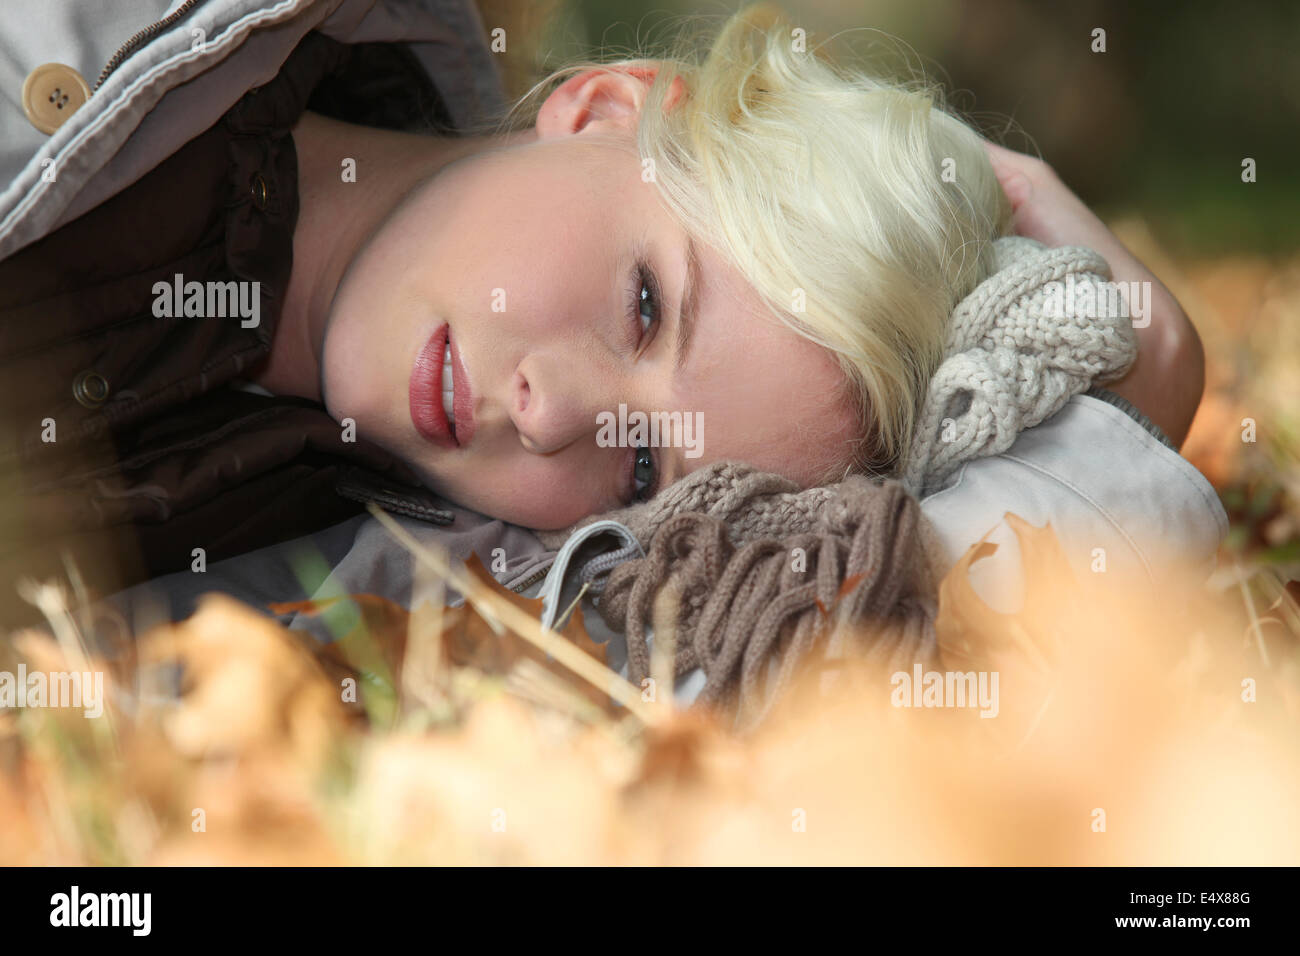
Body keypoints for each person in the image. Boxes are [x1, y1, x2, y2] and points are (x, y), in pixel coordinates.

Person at [0, 2, 1222, 664]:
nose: (549, 413)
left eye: (643, 466)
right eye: (645, 303)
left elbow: (822, 639)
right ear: (603, 106)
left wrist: (1133, 410)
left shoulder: (441, 574)